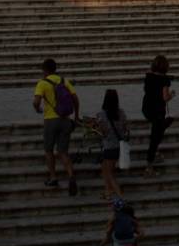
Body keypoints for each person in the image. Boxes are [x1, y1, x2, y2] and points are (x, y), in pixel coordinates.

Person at [32, 58, 80, 194]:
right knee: (63, 152)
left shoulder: (42, 83)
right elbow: (75, 98)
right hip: (65, 119)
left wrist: (37, 109)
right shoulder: (64, 81)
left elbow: (36, 101)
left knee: (49, 150)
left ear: (44, 70)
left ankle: (53, 177)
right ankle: (71, 175)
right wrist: (76, 116)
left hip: (50, 120)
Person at [90, 89, 131, 200]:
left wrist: (95, 127)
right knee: (104, 167)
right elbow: (126, 129)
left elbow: (102, 133)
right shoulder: (121, 112)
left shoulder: (101, 115)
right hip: (120, 146)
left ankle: (121, 197)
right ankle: (108, 191)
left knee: (110, 174)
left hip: (109, 147)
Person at [141, 55, 173, 174]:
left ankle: (155, 153)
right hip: (158, 111)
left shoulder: (148, 77)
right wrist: (172, 94)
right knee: (155, 137)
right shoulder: (164, 80)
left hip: (146, 109)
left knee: (158, 131)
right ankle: (149, 166)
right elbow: (165, 97)